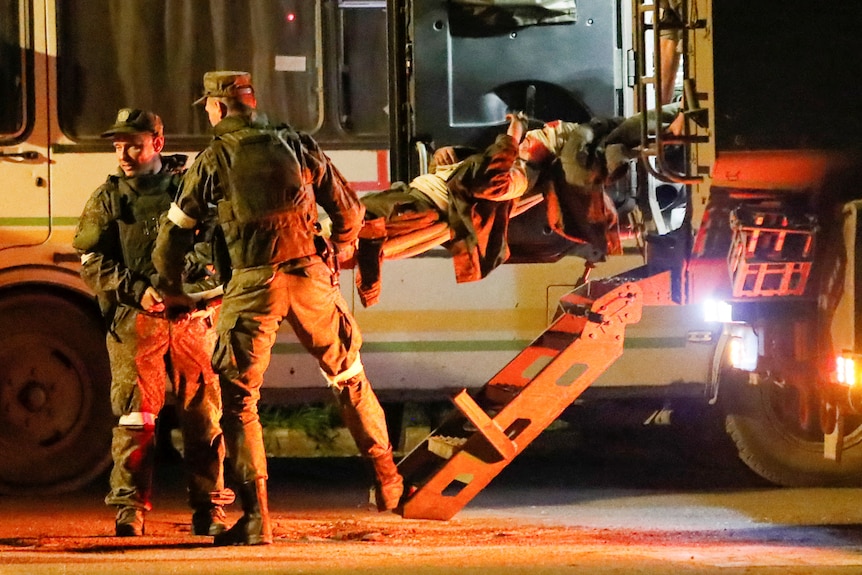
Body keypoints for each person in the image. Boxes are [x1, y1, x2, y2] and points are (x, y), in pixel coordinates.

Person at [152, 71, 404, 546]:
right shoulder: (297, 143)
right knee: (348, 375)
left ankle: (257, 519)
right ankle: (388, 479)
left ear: (221, 107)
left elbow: (174, 234)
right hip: (311, 279)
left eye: (207, 106)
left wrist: (172, 290)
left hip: (253, 284)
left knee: (240, 399)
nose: (207, 113)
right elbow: (350, 214)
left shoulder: (213, 159)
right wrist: (338, 248)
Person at [72, 109, 231, 537]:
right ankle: (130, 511)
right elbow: (92, 261)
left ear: (157, 144)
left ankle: (210, 509)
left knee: (203, 417)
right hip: (136, 321)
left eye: (134, 144)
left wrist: (194, 291)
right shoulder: (108, 198)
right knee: (134, 418)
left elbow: (218, 245)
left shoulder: (191, 190)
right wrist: (137, 290)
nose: (123, 154)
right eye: (118, 145)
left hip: (191, 320)